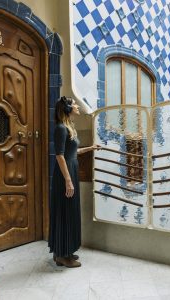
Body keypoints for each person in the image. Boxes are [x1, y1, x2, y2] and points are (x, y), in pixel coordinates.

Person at [48, 96, 100, 268]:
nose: (77, 106)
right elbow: (60, 156)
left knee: (68, 211)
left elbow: (72, 151)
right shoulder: (61, 128)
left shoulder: (68, 128)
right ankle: (63, 255)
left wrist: (91, 148)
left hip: (70, 171)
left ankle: (63, 252)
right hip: (65, 175)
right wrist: (68, 181)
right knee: (65, 212)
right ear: (68, 108)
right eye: (74, 104)